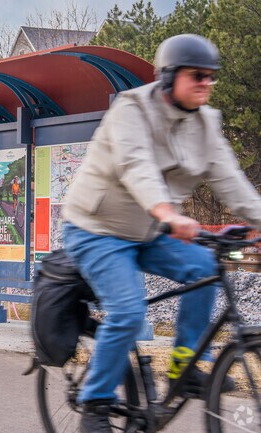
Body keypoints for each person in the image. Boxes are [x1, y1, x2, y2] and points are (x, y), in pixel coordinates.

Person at [62, 34, 261, 433]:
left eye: (211, 77)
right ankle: (96, 404)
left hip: (150, 232)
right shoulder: (131, 109)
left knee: (205, 267)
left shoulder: (207, 121)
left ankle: (182, 365)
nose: (207, 82)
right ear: (169, 77)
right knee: (129, 311)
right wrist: (168, 213)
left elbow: (230, 180)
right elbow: (137, 166)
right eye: (197, 75)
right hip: (97, 229)